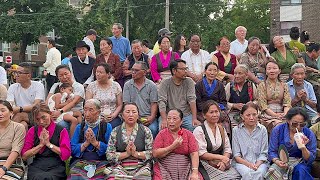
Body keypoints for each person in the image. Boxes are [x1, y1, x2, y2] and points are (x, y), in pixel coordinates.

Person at [21, 103, 71, 180]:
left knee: (50, 177)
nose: (41, 122)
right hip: (37, 164)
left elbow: (66, 154)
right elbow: (24, 156)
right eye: (37, 119)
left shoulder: (61, 130)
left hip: (56, 165)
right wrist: (40, 145)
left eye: (44, 117)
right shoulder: (33, 130)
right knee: (37, 177)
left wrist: (48, 144)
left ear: (50, 114)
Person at [193, 100, 241, 180]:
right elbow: (201, 153)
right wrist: (221, 158)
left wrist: (223, 162)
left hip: (220, 162)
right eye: (211, 112)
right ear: (204, 115)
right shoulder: (199, 130)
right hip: (205, 163)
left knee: (236, 176)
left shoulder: (221, 128)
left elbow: (227, 149)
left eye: (216, 112)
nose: (215, 115)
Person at [265, 107, 317, 180]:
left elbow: (310, 159)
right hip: (280, 160)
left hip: (300, 162)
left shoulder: (308, 133)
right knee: (273, 171)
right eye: (294, 124)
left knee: (300, 170)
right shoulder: (278, 130)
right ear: (288, 121)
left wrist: (303, 148)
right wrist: (277, 161)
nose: (298, 127)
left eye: (302, 124)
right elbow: (272, 151)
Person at [105, 103, 153, 179]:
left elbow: (151, 153)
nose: (131, 114)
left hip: (141, 166)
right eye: (127, 112)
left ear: (138, 115)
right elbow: (109, 154)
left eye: (134, 112)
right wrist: (127, 154)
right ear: (122, 115)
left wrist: (136, 154)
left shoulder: (146, 131)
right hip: (120, 166)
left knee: (144, 176)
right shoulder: (115, 131)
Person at [69, 99, 112, 179]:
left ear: (98, 112)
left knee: (101, 176)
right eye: (85, 110)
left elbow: (111, 149)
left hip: (101, 161)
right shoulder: (80, 127)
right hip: (81, 161)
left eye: (91, 110)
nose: (87, 114)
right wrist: (86, 143)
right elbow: (72, 149)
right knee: (76, 175)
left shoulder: (106, 127)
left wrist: (95, 143)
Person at [153, 109, 201, 180]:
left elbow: (194, 153)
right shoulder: (162, 134)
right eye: (169, 118)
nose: (171, 121)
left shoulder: (188, 134)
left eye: (174, 119)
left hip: (185, 168)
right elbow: (155, 153)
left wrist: (195, 172)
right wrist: (172, 147)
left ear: (181, 121)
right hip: (165, 168)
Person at [158, 59, 201, 131]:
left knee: (195, 128)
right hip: (169, 115)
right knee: (163, 129)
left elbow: (192, 100)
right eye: (183, 69)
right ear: (174, 71)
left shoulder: (189, 81)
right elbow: (162, 101)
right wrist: (164, 119)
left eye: (186, 69)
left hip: (186, 115)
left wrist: (194, 118)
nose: (186, 71)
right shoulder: (165, 82)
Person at [232, 102, 269, 180]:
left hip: (260, 163)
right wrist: (249, 164)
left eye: (254, 114)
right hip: (242, 163)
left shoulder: (262, 129)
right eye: (248, 115)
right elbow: (236, 155)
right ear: (242, 116)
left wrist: (256, 165)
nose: (251, 118)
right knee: (247, 173)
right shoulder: (236, 130)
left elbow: (264, 153)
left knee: (260, 173)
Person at [123, 61, 159, 138]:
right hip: (132, 116)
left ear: (144, 72)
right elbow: (126, 104)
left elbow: (154, 103)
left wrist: (152, 117)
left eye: (136, 70)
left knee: (153, 129)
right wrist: (134, 117)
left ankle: (151, 149)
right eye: (132, 70)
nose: (133, 72)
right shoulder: (127, 85)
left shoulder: (151, 85)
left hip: (148, 117)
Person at [7, 62, 45, 129]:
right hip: (20, 115)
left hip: (37, 115)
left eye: (19, 73)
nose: (16, 75)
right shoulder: (13, 87)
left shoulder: (38, 86)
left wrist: (19, 109)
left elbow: (35, 106)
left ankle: (5, 136)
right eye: (16, 72)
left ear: (28, 76)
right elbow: (9, 104)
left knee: (19, 115)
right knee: (23, 125)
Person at [47, 64, 85, 132]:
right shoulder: (55, 86)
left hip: (73, 114)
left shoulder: (78, 86)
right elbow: (47, 100)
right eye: (60, 75)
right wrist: (49, 113)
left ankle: (71, 140)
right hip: (55, 113)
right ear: (57, 77)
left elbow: (73, 102)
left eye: (66, 74)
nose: (64, 77)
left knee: (61, 125)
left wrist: (60, 111)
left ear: (71, 73)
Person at [257, 60, 291, 133]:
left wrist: (285, 114)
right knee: (278, 125)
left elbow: (287, 102)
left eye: (274, 68)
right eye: (269, 69)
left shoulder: (284, 85)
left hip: (282, 113)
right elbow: (263, 105)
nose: (272, 71)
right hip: (267, 114)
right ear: (266, 72)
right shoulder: (262, 85)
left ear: (279, 71)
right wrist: (275, 115)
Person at [86, 63, 123, 128]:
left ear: (108, 74)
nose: (98, 74)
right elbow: (88, 105)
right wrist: (98, 116)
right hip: (95, 117)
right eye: (97, 72)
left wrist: (113, 115)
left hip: (112, 116)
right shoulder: (91, 86)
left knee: (111, 126)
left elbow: (120, 104)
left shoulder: (116, 86)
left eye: (101, 72)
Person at [0, 100, 26, 180]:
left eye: (3, 110)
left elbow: (15, 151)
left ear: (11, 113)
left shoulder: (18, 127)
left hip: (12, 164)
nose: (0, 114)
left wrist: (3, 169)